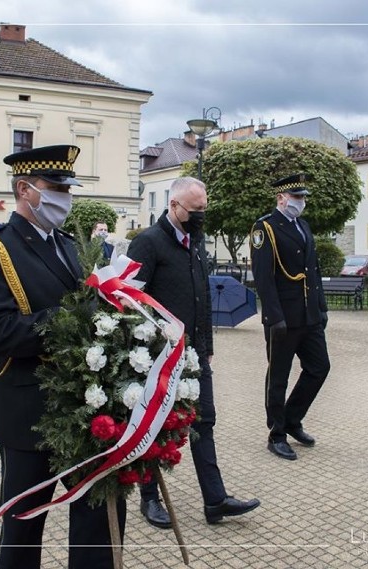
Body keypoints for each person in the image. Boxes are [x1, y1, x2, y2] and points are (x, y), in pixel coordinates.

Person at [0, 145, 125, 569]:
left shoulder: (70, 245)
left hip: (85, 407)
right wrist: (71, 318)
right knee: (22, 528)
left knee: (97, 518)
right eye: (56, 188)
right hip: (27, 410)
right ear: (25, 189)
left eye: (68, 188)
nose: (65, 198)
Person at [127, 176, 260, 529]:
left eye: (204, 208)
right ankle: (150, 498)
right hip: (160, 356)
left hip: (196, 353)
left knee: (205, 423)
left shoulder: (197, 241)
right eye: (195, 209)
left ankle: (215, 500)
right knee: (154, 426)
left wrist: (207, 347)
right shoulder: (147, 243)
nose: (202, 215)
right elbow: (130, 303)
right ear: (174, 207)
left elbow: (202, 296)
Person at [250, 173, 330, 461]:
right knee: (278, 377)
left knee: (320, 367)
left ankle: (293, 419)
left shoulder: (303, 225)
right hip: (282, 318)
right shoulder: (265, 229)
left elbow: (314, 271)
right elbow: (263, 277)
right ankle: (277, 433)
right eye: (297, 197)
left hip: (309, 316)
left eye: (303, 197)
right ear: (281, 198)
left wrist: (321, 308)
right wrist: (273, 316)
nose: (302, 202)